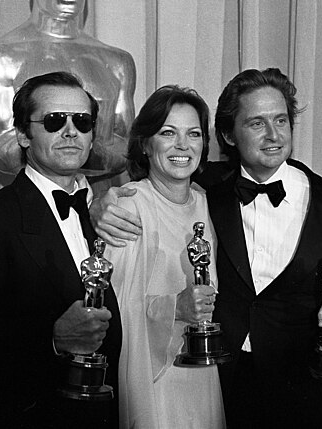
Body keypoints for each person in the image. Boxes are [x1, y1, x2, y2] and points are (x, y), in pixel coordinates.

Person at [91, 68, 322, 428]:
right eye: (257, 123)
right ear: (228, 135)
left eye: (281, 120)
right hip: (220, 384)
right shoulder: (209, 187)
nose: (273, 135)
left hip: (303, 389)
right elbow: (154, 184)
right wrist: (96, 203)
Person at [0, 71, 122, 428]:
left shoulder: (105, 212)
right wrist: (53, 339)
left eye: (82, 121)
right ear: (22, 135)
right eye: (54, 120)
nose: (71, 132)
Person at [101, 85, 225, 429]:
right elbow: (118, 310)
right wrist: (176, 308)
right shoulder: (129, 205)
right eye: (168, 133)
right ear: (145, 143)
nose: (183, 145)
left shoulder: (207, 204)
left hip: (203, 376)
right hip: (153, 381)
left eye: (193, 134)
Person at [0, 0, 136, 179]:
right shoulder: (3, 57)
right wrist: (79, 149)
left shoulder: (117, 62)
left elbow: (125, 149)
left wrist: (64, 148)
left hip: (103, 190)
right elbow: (4, 152)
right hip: (33, 191)